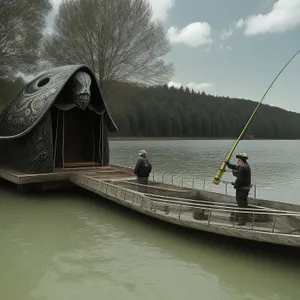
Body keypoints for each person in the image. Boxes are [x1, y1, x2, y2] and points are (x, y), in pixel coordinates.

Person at [224, 152, 251, 225]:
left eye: (238, 160)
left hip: (242, 189)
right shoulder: (245, 165)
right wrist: (228, 164)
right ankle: (245, 218)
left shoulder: (242, 168)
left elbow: (239, 180)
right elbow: (236, 168)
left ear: (241, 160)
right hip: (246, 188)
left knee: (241, 204)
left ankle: (242, 221)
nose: (237, 162)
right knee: (244, 203)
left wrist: (235, 185)